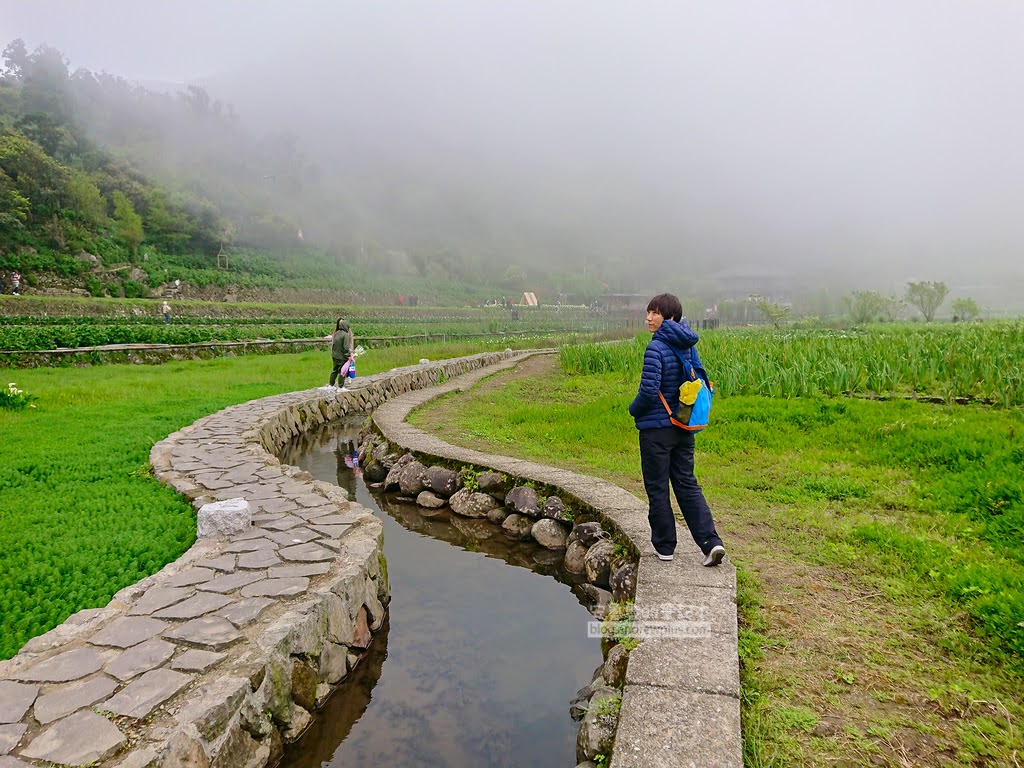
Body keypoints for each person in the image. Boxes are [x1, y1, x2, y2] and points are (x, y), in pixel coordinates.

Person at [628, 293, 726, 566]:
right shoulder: (688, 345)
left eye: (655, 313)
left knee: (658, 487)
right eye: (648, 312)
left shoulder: (656, 347)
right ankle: (711, 543)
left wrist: (633, 409)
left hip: (657, 430)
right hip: (684, 425)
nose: (648, 318)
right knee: (687, 483)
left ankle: (665, 547)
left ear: (670, 317)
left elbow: (648, 391)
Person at [328, 316, 354, 388]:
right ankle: (340, 386)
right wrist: (349, 356)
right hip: (342, 356)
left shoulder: (336, 333)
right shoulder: (345, 335)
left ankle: (331, 385)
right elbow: (346, 347)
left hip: (334, 355)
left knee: (334, 370)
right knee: (343, 372)